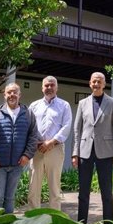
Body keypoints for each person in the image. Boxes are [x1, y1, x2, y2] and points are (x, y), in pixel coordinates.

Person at [72, 72, 113, 224]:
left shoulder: (112, 103)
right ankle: (81, 223)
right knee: (83, 192)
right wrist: (75, 153)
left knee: (106, 192)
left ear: (104, 83)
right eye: (94, 81)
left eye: (99, 81)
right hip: (85, 151)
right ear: (89, 83)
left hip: (105, 152)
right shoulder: (83, 103)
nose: (96, 84)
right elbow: (77, 129)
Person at [0, 82, 41, 213]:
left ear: (19, 95)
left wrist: (27, 155)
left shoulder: (28, 114)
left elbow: (33, 136)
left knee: (10, 198)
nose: (12, 95)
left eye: (14, 92)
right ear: (4, 95)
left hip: (18, 164)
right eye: (9, 92)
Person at [28, 75, 72, 210]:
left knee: (54, 188)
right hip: (36, 150)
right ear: (42, 88)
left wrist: (51, 142)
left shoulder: (64, 105)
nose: (49, 87)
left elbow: (67, 126)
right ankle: (33, 221)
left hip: (55, 149)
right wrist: (38, 142)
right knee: (33, 187)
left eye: (52, 85)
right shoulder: (34, 106)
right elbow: (30, 126)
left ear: (57, 87)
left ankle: (55, 220)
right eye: (46, 85)